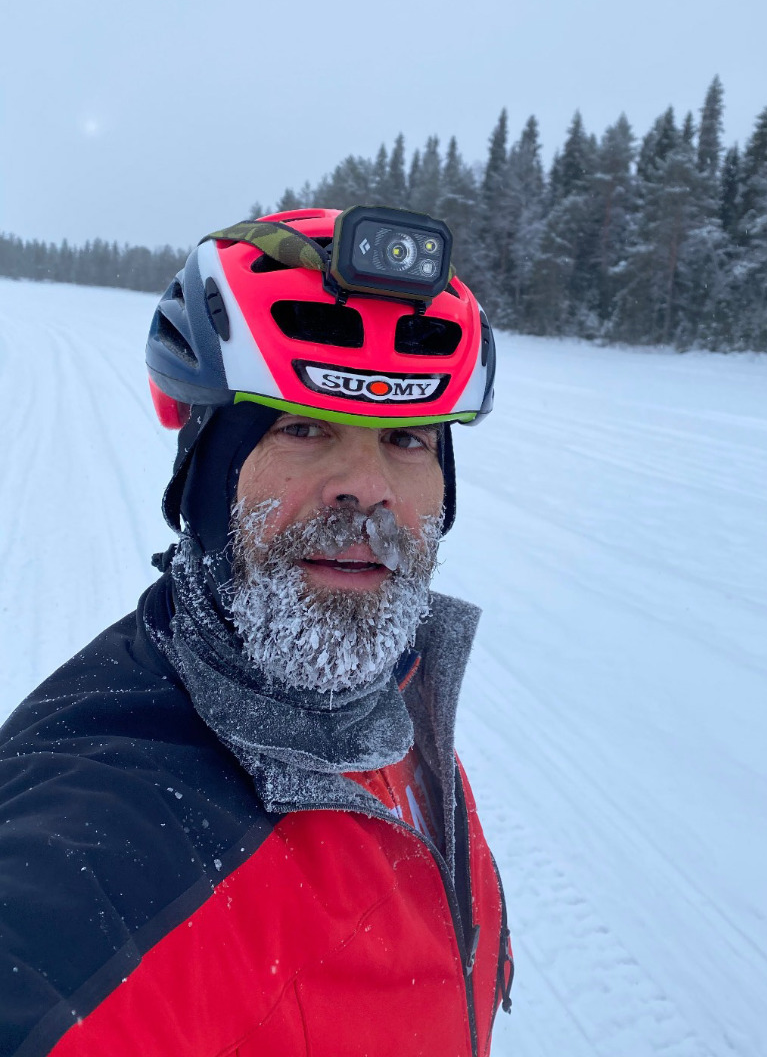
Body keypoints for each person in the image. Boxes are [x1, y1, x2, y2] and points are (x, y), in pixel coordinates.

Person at [0, 207, 513, 1056]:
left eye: (408, 439)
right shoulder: (105, 847)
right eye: (302, 428)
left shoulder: (397, 703)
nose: (368, 488)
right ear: (203, 479)